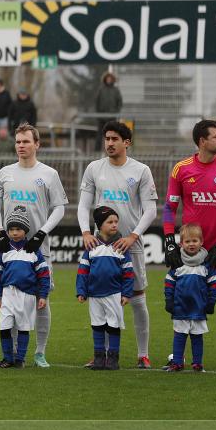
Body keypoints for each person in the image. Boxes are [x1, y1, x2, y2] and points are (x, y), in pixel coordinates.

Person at [163, 119, 216, 372]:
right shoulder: (182, 169)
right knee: (182, 300)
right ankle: (181, 359)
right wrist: (170, 241)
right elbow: (170, 208)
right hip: (190, 250)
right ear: (202, 141)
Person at [77, 121, 157, 368]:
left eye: (115, 139)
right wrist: (86, 232)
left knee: (137, 297)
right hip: (101, 247)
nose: (109, 143)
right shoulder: (94, 168)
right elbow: (83, 205)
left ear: (127, 143)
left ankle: (143, 354)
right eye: (107, 139)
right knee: (102, 298)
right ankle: (104, 355)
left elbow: (151, 209)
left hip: (128, 244)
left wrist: (133, 235)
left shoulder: (141, 170)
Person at [0, 124, 68, 368]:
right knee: (11, 299)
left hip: (37, 249)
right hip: (11, 249)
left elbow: (59, 208)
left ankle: (40, 352)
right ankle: (12, 355)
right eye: (18, 142)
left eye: (26, 141)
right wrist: (0, 231)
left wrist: (42, 232)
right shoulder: (5, 172)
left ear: (37, 144)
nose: (21, 146)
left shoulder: (49, 174)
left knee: (41, 298)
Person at [0, 206, 50, 368]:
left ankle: (20, 359)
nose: (14, 233)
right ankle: (7, 358)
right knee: (5, 326)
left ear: (25, 231)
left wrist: (43, 295)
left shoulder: (33, 251)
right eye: (11, 229)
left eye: (18, 229)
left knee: (23, 327)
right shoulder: (3, 251)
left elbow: (44, 274)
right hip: (7, 294)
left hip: (27, 295)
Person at [75, 206, 134, 371]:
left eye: (116, 221)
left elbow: (128, 272)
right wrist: (81, 290)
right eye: (110, 222)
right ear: (100, 225)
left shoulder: (121, 247)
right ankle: (99, 358)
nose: (114, 224)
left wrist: (127, 293)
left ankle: (113, 359)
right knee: (97, 325)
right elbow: (83, 271)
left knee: (113, 326)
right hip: (94, 294)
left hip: (114, 293)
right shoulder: (92, 246)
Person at [163, 224, 216, 372]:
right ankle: (177, 362)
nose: (191, 244)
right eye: (187, 241)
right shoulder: (177, 264)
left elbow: (214, 283)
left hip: (199, 307)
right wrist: (169, 301)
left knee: (197, 337)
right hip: (180, 307)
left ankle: (197, 363)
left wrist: (211, 302)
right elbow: (169, 283)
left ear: (201, 242)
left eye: (195, 241)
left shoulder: (206, 265)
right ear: (181, 244)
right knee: (179, 336)